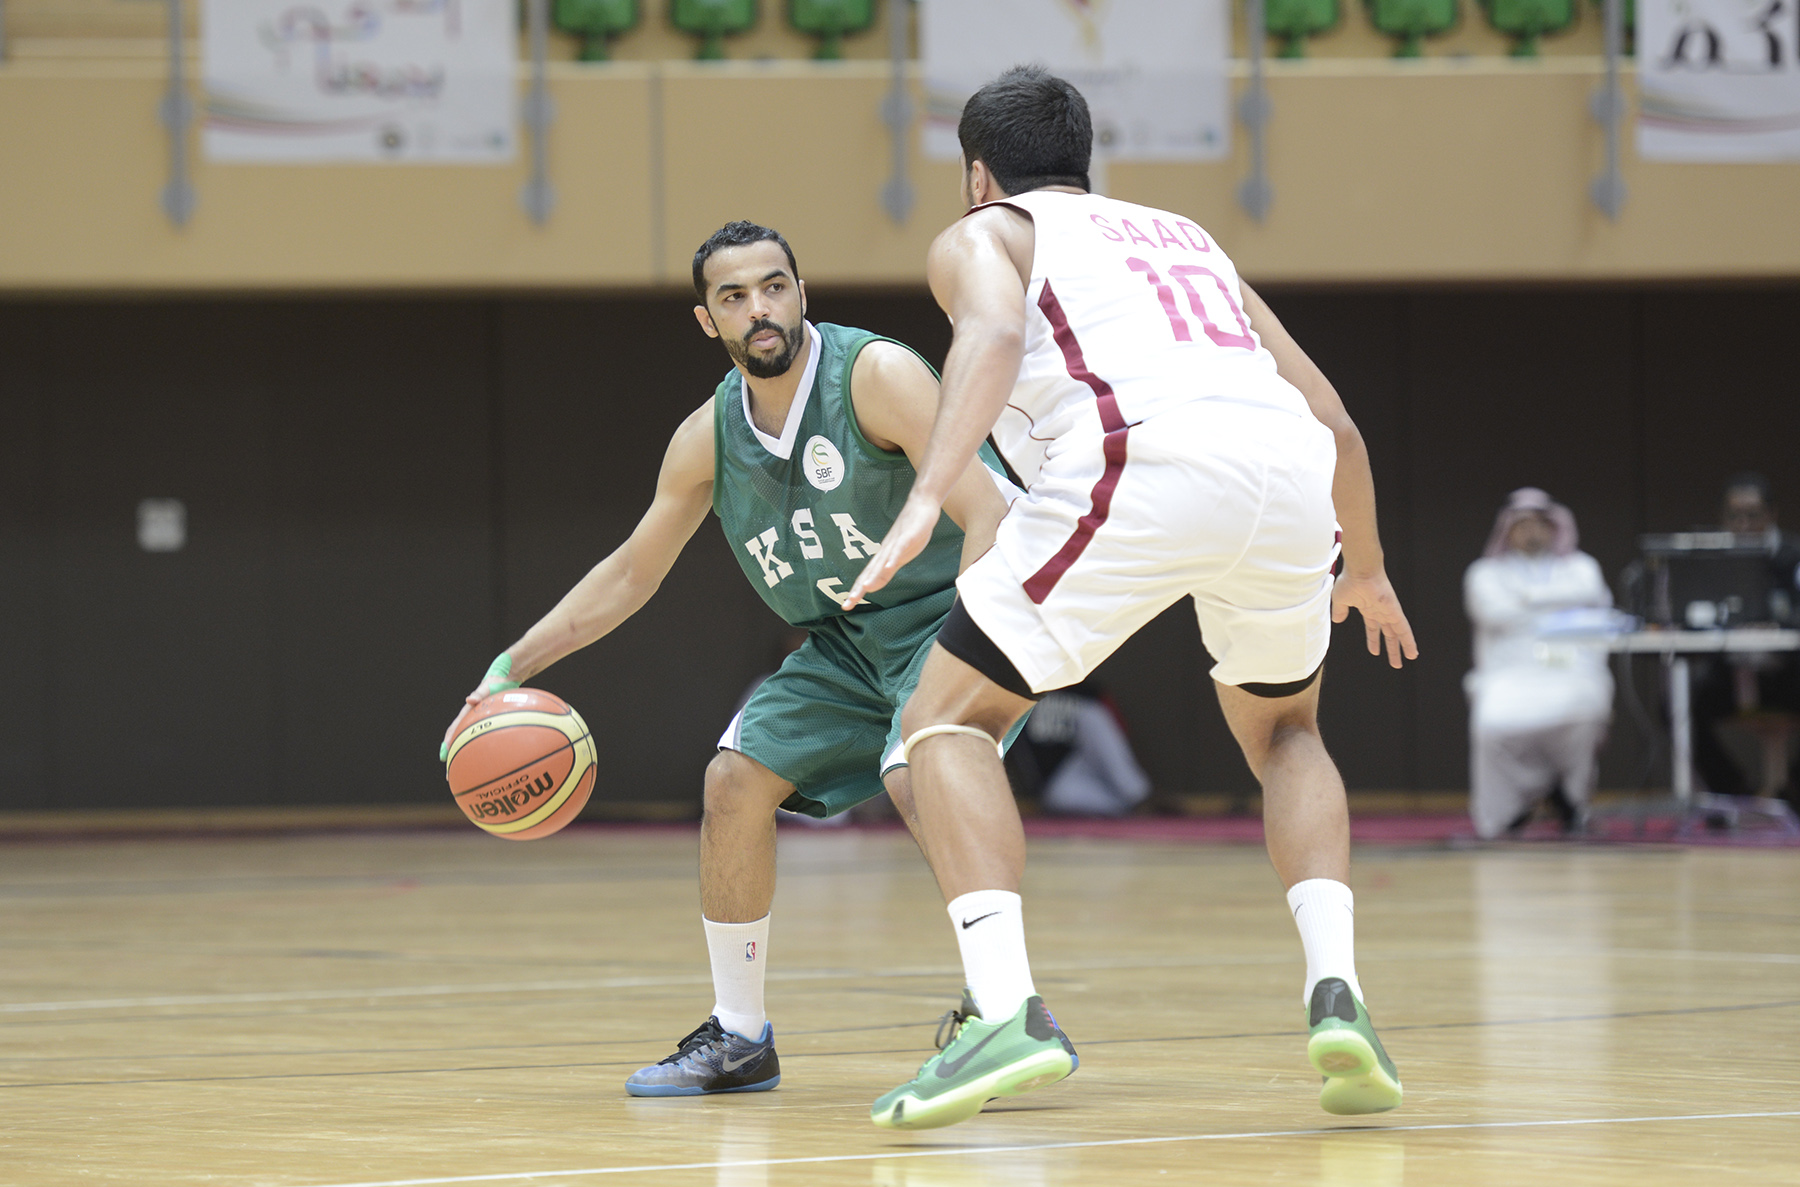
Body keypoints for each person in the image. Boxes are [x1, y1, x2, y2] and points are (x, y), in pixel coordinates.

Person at [843, 67, 1418, 1130]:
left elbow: (995, 338)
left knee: (944, 721)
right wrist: (1368, 566)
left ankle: (1007, 1010)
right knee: (1288, 729)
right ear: (1084, 156)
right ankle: (1337, 991)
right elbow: (1332, 416)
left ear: (978, 172)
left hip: (1140, 460)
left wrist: (931, 489)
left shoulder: (985, 234)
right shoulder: (1187, 236)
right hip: (1288, 474)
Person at [441, 220, 1027, 1098]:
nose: (760, 308)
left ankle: (1006, 1010)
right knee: (733, 782)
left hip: (957, 610)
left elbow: (994, 514)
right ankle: (741, 1036)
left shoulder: (876, 377)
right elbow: (630, 573)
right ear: (706, 319)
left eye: (774, 286)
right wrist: (508, 670)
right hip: (844, 643)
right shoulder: (707, 437)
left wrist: (967, 653)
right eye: (734, 296)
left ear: (800, 292)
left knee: (919, 771)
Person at [1464, 488, 1614, 838]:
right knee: (1492, 722)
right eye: (1522, 525)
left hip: (1571, 671)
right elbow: (1495, 613)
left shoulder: (1581, 567)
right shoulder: (1484, 573)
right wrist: (1563, 609)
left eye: (1539, 524)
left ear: (1553, 528)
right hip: (1510, 676)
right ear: (1508, 530)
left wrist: (1527, 603)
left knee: (1586, 710)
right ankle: (1505, 814)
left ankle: (1572, 802)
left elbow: (1594, 602)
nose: (1532, 532)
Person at [1690, 473, 1800, 802]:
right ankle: (1733, 790)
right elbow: (1695, 613)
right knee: (1677, 706)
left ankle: (1791, 791)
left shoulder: (1793, 556)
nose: (1743, 524)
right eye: (1734, 516)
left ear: (1771, 515)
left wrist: (1781, 625)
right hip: (1732, 674)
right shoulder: (1711, 560)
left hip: (1786, 673)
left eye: (1752, 515)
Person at [1008, 681, 1152, 817]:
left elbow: (1120, 735)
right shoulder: (1021, 691)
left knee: (1091, 716)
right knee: (1061, 796)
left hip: (1092, 760)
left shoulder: (1086, 691)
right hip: (1063, 777)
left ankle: (1140, 795)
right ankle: (1141, 802)